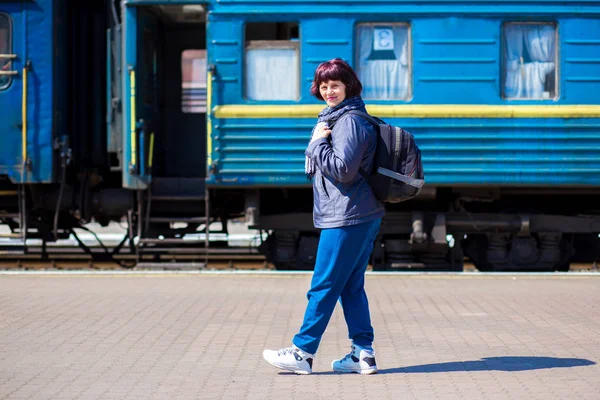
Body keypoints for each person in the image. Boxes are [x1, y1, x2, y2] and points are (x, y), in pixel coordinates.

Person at [263, 58, 385, 375]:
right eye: (324, 86)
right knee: (349, 287)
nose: (329, 91)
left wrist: (317, 142)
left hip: (347, 215)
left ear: (349, 86)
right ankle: (363, 354)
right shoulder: (340, 117)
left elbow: (343, 171)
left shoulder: (349, 122)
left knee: (324, 284)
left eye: (335, 85)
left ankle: (302, 352)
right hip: (355, 212)